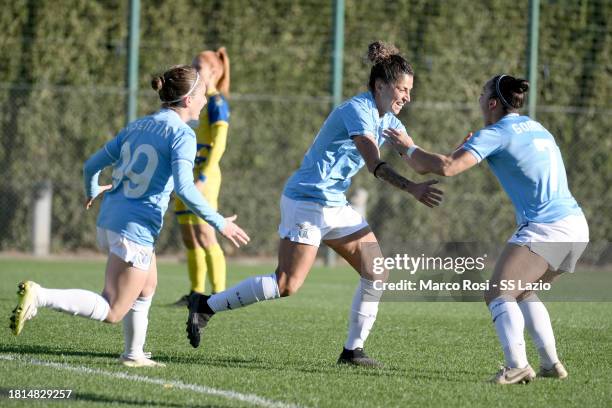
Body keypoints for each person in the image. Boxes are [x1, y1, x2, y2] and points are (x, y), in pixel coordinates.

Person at [185, 41, 443, 367]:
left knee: (376, 271)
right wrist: (411, 188)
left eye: (409, 90)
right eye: (402, 89)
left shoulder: (391, 121)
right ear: (380, 86)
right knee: (286, 284)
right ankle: (206, 306)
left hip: (334, 204)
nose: (407, 96)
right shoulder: (358, 110)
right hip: (307, 201)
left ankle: (352, 351)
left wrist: (452, 160)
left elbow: (419, 160)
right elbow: (373, 164)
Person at [9, 64, 249, 368]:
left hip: (111, 220)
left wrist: (92, 189)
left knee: (147, 286)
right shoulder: (183, 135)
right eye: (202, 93)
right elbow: (186, 190)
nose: (205, 99)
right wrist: (220, 223)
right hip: (134, 229)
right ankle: (40, 296)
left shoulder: (137, 126)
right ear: (188, 100)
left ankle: (133, 353)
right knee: (112, 310)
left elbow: (90, 166)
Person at [382, 74, 589, 383]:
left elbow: (447, 167)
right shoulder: (537, 128)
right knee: (522, 292)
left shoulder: (495, 133)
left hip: (547, 228)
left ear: (492, 103)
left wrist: (407, 147)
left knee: (497, 292)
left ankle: (517, 365)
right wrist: (451, 152)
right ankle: (550, 364)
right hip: (576, 228)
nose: (478, 98)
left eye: (481, 94)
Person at [174, 47, 232, 305]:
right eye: (193, 65)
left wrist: (204, 177)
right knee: (189, 234)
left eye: (199, 67)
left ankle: (220, 294)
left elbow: (219, 145)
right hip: (186, 172)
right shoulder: (192, 100)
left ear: (214, 72)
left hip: (204, 176)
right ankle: (196, 293)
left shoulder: (217, 103)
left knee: (205, 233)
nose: (194, 70)